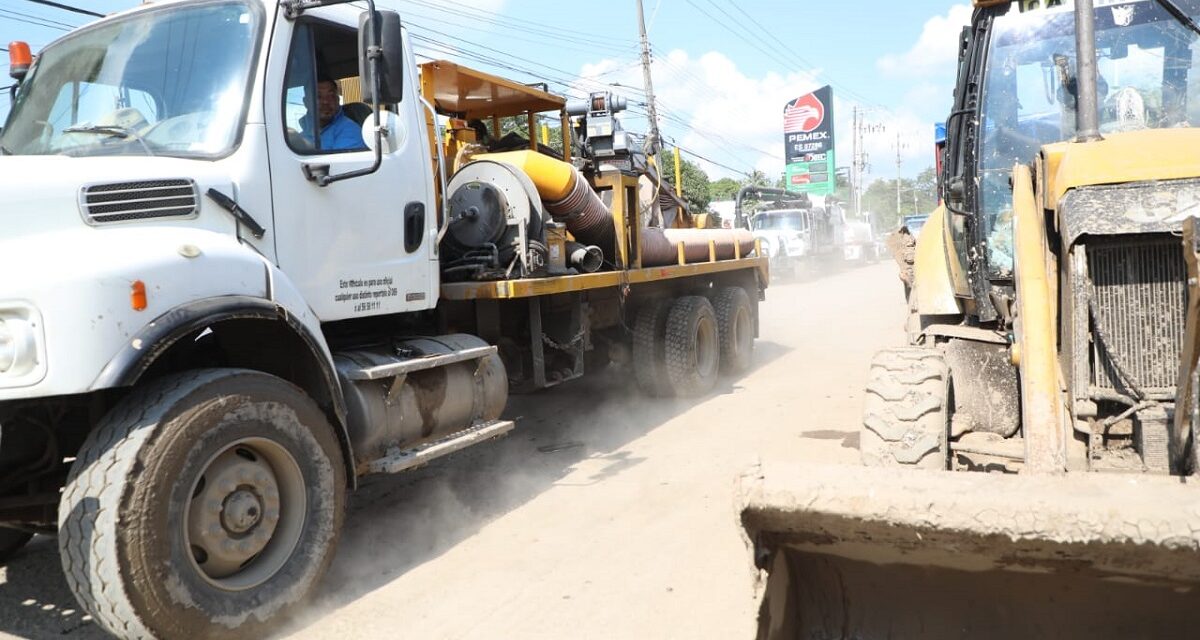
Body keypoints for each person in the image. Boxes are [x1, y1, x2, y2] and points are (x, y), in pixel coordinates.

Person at [317, 78, 367, 151]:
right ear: (306, 102)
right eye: (318, 96)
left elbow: (336, 161)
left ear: (338, 100)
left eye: (331, 96)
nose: (325, 101)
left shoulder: (350, 130)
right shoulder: (298, 139)